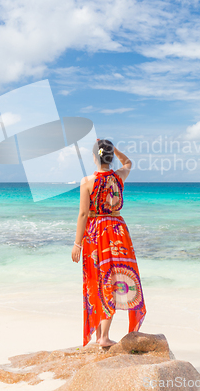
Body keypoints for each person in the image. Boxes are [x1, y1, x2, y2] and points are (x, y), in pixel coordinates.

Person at [71, 138, 146, 348]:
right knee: (114, 280)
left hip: (96, 234)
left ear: (94, 156)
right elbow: (129, 162)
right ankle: (103, 335)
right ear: (111, 157)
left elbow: (84, 213)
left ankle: (102, 336)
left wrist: (77, 243)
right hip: (118, 230)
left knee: (100, 279)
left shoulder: (87, 181)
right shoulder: (119, 176)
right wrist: (117, 150)